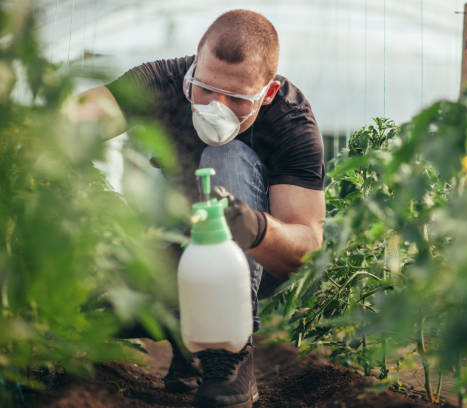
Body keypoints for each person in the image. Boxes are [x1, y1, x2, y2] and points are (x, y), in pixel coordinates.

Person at [65, 9, 325, 408]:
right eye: (204, 89)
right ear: (193, 68)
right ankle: (186, 339)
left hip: (249, 265)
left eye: (237, 99)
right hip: (168, 248)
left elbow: (305, 243)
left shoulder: (290, 121)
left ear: (267, 93)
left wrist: (254, 227)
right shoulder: (164, 81)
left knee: (230, 157)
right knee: (82, 305)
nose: (215, 107)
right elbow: (72, 121)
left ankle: (228, 351)